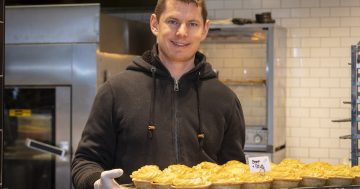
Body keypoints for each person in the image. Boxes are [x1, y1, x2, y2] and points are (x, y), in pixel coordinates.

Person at [71, 0, 246, 188]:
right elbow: (84, 162)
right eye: (172, 21)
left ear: (204, 29)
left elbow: (235, 170)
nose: (182, 32)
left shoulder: (225, 99)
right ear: (155, 24)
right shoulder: (115, 91)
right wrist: (97, 183)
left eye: (192, 24)